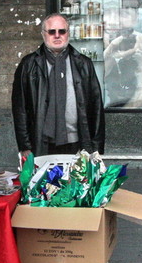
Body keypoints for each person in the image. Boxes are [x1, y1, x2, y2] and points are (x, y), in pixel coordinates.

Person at [12, 12, 105, 159]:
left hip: (78, 142)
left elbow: (96, 106)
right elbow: (20, 109)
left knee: (76, 182)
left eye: (62, 31)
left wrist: (96, 147)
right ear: (44, 34)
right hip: (41, 143)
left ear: (68, 34)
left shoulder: (83, 64)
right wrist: (24, 146)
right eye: (51, 31)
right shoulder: (29, 64)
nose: (57, 35)